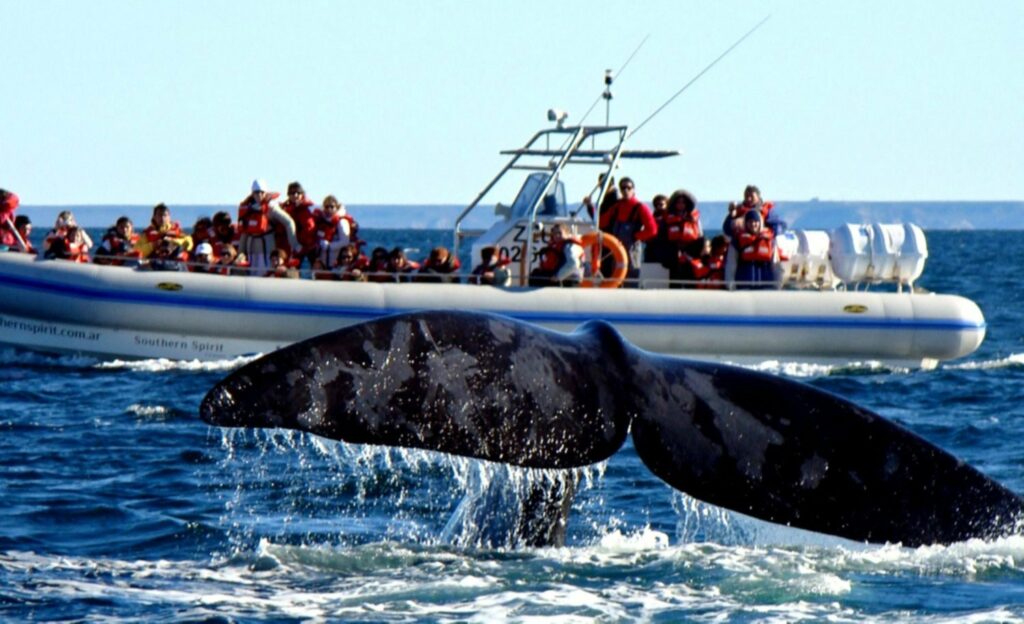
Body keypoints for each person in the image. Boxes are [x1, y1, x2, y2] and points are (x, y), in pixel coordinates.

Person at [598, 177, 657, 286]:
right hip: (617, 248)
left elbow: (652, 229)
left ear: (633, 190)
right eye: (623, 188)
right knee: (616, 275)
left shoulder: (640, 207)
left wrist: (636, 236)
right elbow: (601, 223)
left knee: (631, 276)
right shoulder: (617, 206)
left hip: (632, 249)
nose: (625, 190)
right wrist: (591, 208)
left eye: (628, 188)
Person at [237, 179, 300, 275]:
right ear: (252, 193)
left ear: (265, 192)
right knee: (252, 273)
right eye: (256, 192)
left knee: (268, 273)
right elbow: (244, 231)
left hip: (267, 245)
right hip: (251, 247)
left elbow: (289, 222)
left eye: (261, 192)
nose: (259, 195)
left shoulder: (271, 207)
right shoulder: (247, 208)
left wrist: (294, 245)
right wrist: (240, 253)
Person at [662, 190, 704, 286]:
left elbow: (700, 236)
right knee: (674, 279)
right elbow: (664, 236)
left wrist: (693, 253)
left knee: (690, 278)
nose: (681, 204)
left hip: (690, 253)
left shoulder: (694, 218)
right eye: (678, 202)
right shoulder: (668, 218)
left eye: (683, 202)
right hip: (674, 253)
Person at [728, 209, 777, 290]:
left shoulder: (770, 241)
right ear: (746, 223)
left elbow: (776, 265)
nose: (753, 224)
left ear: (760, 223)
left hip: (767, 287)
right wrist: (730, 284)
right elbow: (731, 264)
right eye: (750, 221)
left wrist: (777, 285)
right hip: (744, 287)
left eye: (756, 221)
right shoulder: (737, 241)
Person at [280, 181, 317, 265]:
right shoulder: (285, 209)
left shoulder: (304, 211)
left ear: (302, 194)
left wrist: (299, 245)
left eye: (298, 192)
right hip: (287, 249)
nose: (295, 195)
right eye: (292, 193)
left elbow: (309, 229)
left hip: (301, 250)